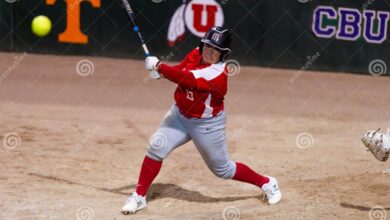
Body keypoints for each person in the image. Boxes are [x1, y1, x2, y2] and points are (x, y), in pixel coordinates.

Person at [121, 26, 282, 215]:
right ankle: (139, 197)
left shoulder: (217, 74)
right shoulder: (197, 53)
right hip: (180, 114)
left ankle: (267, 183)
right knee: (156, 147)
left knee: (223, 170)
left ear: (224, 54)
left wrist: (159, 66)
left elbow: (186, 78)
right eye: (206, 46)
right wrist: (163, 73)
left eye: (214, 49)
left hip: (207, 125)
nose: (208, 51)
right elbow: (180, 69)